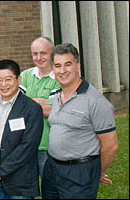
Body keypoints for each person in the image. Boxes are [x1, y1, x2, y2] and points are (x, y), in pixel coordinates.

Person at [41, 43, 118, 199]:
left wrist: (98, 171)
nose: (62, 71)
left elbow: (111, 145)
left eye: (67, 64)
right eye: (57, 65)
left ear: (78, 66)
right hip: (52, 169)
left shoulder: (95, 101)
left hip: (79, 173)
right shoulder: (57, 96)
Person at [0, 59, 44, 199]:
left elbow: (28, 146)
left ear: (19, 80)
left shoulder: (32, 109)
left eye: (8, 79)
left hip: (20, 182)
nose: (3, 84)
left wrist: (1, 172)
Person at [19, 37, 60, 178]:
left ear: (52, 54)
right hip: (26, 145)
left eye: (43, 53)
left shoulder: (59, 77)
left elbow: (54, 110)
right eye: (35, 54)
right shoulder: (24, 76)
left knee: (51, 188)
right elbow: (16, 106)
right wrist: (42, 101)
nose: (39, 57)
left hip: (48, 145)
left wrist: (28, 102)